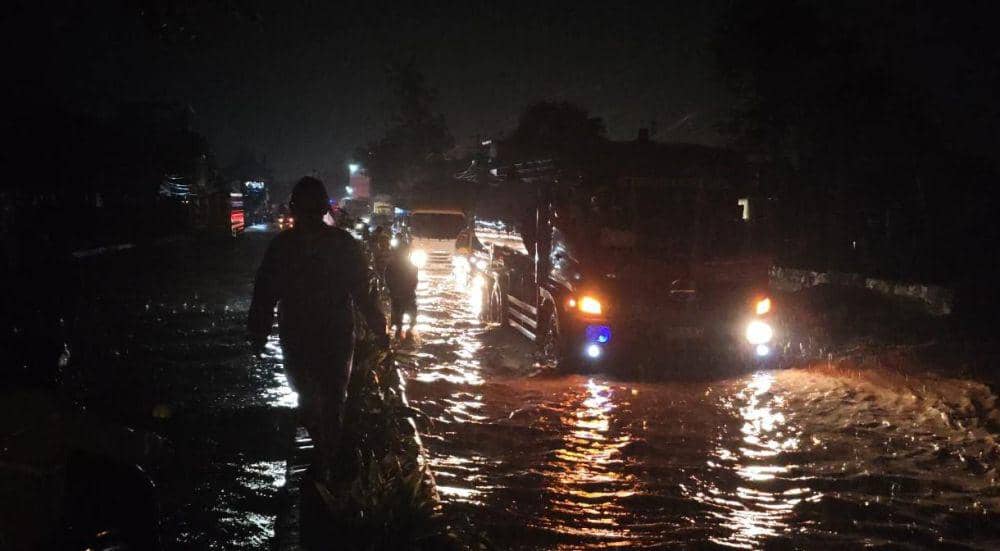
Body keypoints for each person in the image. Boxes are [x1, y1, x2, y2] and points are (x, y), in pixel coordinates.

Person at [247, 177, 388, 476]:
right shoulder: (285, 247)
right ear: (297, 211)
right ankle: (324, 451)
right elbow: (265, 293)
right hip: (305, 333)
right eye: (305, 211)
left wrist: (379, 326)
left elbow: (362, 290)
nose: (309, 218)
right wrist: (257, 330)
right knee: (309, 395)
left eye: (314, 211)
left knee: (332, 395)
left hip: (330, 333)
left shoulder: (339, 245)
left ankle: (328, 458)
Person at [384, 241, 419, 340]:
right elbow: (414, 280)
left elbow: (388, 278)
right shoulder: (408, 266)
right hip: (403, 294)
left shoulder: (394, 265)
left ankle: (403, 330)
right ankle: (404, 330)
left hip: (402, 293)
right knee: (405, 311)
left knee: (402, 312)